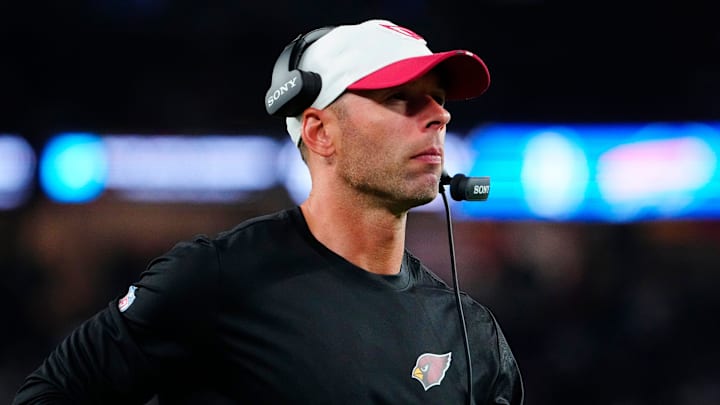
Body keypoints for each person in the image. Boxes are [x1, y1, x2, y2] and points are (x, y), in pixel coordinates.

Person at [13, 19, 523, 404]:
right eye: (400, 99)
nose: (439, 115)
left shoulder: (471, 334)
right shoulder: (214, 279)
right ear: (321, 133)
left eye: (436, 99)